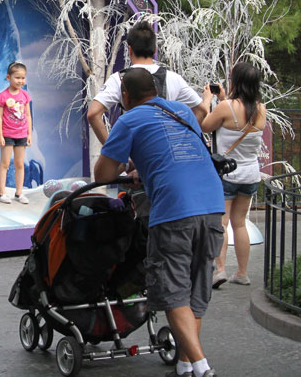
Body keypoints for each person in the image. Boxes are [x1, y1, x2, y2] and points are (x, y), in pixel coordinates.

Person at [93, 68, 223, 377]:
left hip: (175, 210)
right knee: (194, 289)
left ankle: (203, 368)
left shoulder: (128, 120)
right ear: (155, 89)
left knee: (173, 291)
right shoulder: (180, 110)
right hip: (213, 205)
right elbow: (177, 152)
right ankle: (186, 363)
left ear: (125, 96)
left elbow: (103, 175)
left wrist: (130, 167)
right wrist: (145, 167)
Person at [198, 62, 266, 288]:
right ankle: (243, 273)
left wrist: (208, 100)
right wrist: (225, 99)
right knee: (239, 223)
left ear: (235, 81)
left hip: (228, 174)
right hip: (250, 174)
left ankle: (220, 270)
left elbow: (206, 126)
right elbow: (239, 117)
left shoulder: (226, 107)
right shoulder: (261, 109)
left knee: (222, 223)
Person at [87, 21, 204, 146]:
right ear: (155, 50)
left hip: (134, 156)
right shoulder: (174, 78)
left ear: (130, 50)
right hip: (165, 154)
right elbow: (201, 110)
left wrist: (113, 150)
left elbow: (93, 113)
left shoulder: (118, 79)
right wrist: (180, 140)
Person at [0, 62, 33, 204]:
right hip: (7, 135)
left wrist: (29, 134)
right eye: (17, 77)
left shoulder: (25, 96)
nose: (20, 81)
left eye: (23, 78)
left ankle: (19, 193)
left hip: (22, 135)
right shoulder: (3, 96)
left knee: (19, 164)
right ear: (8, 77)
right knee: (4, 163)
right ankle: (2, 193)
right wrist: (0, 135)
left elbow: (28, 116)